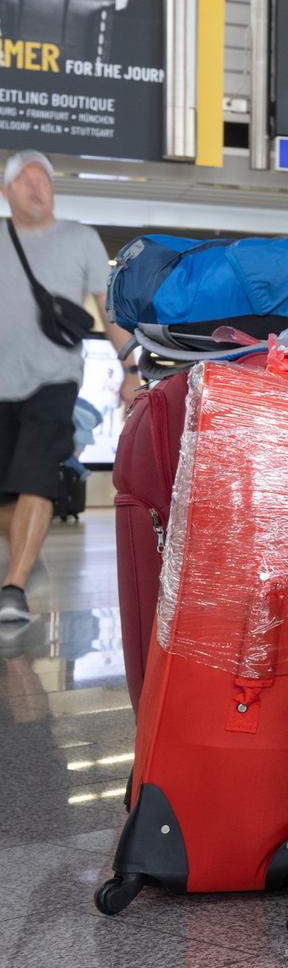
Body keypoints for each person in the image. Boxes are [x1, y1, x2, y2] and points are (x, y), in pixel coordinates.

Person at [0, 150, 136, 619]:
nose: (36, 187)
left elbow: (108, 308)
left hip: (53, 383)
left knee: (36, 478)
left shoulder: (80, 239)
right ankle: (24, 557)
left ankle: (13, 587)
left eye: (44, 180)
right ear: (6, 192)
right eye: (24, 180)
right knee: (6, 498)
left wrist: (130, 368)